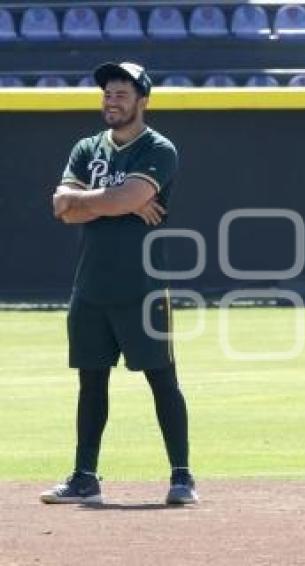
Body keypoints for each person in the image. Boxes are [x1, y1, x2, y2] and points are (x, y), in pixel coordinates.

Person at [42, 62, 197, 505]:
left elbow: (123, 197)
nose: (112, 101)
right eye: (107, 93)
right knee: (91, 383)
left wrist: (102, 200)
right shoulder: (87, 147)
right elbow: (61, 207)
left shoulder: (159, 149)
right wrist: (115, 202)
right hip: (90, 287)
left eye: (122, 94)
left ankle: (182, 477)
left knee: (162, 380)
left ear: (142, 101)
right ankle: (84, 477)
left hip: (143, 287)